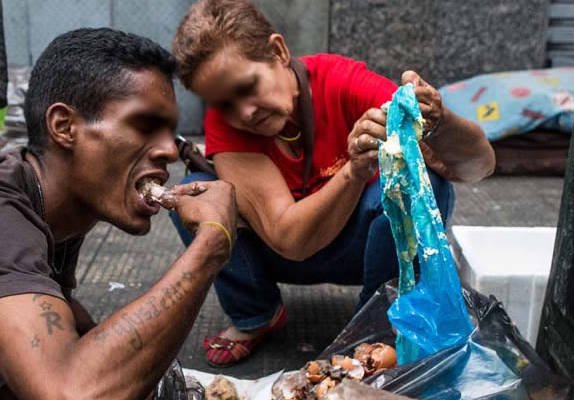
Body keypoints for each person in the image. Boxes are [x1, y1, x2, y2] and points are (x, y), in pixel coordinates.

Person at [171, 0, 495, 367]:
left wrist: (439, 121)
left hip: (365, 250)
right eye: (224, 104)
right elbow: (290, 241)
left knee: (428, 181)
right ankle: (256, 314)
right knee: (196, 192)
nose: (243, 113)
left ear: (279, 51)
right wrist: (354, 171)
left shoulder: (340, 80)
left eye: (248, 87)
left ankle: (377, 325)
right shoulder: (226, 126)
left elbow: (478, 168)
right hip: (282, 254)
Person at [0, 28, 237, 399]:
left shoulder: (63, 203)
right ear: (65, 127)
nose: (170, 153)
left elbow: (55, 305)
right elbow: (68, 392)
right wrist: (210, 246)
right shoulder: (6, 217)